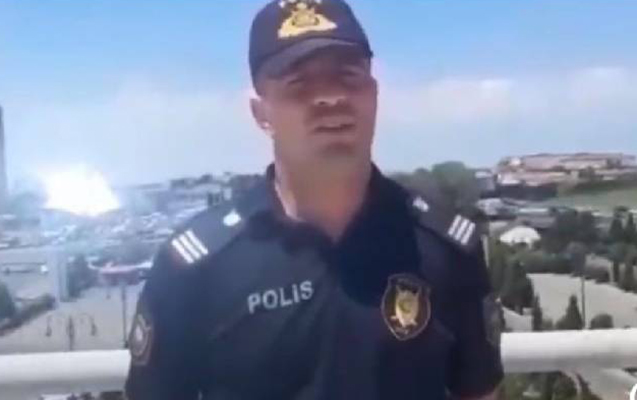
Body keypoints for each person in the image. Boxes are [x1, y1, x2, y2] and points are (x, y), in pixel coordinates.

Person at [125, 0, 504, 399]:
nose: (330, 96)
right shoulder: (196, 269)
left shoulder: (446, 249)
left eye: (348, 75)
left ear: (373, 94)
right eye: (299, 83)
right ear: (261, 113)